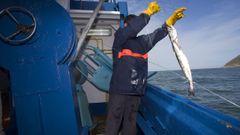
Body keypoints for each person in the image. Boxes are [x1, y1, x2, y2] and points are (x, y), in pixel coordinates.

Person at [105, 1, 186, 135]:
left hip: (135, 92)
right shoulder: (119, 38)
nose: (134, 29)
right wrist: (147, 14)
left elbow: (156, 35)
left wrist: (169, 23)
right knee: (113, 124)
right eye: (132, 26)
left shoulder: (142, 42)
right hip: (119, 91)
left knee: (130, 125)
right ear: (126, 26)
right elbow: (131, 30)